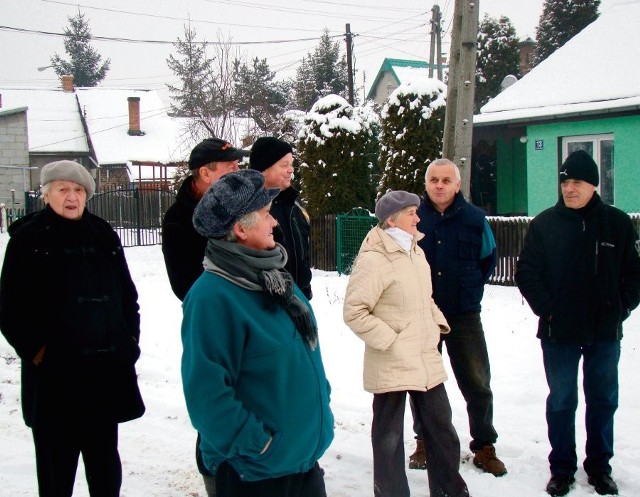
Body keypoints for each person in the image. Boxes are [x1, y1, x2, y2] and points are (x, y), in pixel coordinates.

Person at [181, 169, 334, 497]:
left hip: (302, 464)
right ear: (240, 228)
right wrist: (257, 444)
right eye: (266, 215)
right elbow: (206, 393)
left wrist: (322, 402)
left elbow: (304, 355)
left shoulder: (279, 282)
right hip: (256, 474)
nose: (275, 222)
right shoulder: (212, 297)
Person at [0, 160, 144, 497]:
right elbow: (9, 308)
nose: (72, 196)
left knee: (106, 469)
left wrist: (130, 342)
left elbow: (128, 297)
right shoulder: (28, 239)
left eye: (79, 190)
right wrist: (39, 353)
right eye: (63, 189)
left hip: (104, 376)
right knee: (55, 473)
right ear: (46, 193)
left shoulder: (103, 234)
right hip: (55, 380)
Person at [515, 150, 640, 497]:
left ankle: (600, 467)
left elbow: (634, 273)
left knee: (602, 400)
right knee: (562, 400)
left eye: (577, 182)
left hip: (604, 333)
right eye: (565, 182)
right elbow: (527, 272)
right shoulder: (544, 224)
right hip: (559, 334)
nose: (569, 189)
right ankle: (561, 469)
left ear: (593, 185)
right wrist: (549, 310)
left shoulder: (616, 224)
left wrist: (619, 308)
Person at [343, 190, 470, 497]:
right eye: (411, 213)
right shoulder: (374, 259)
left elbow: (423, 298)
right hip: (391, 359)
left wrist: (437, 323)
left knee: (442, 431)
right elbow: (354, 312)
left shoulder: (415, 250)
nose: (418, 217)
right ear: (392, 219)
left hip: (424, 356)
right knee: (388, 438)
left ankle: (449, 491)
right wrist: (391, 340)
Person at [410, 158, 506, 477]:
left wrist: (469, 286)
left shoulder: (475, 220)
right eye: (434, 180)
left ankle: (484, 446)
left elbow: (487, 259)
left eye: (446, 180)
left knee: (477, 381)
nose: (440, 185)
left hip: (464, 315)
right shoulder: (411, 218)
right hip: (423, 315)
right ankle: (424, 441)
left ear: (457, 184)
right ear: (426, 184)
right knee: (422, 381)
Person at [162, 137, 245, 301]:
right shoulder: (178, 219)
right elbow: (185, 285)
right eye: (231, 168)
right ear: (205, 173)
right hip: (215, 313)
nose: (239, 173)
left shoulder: (244, 204)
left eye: (238, 166)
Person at [250, 136, 313, 299]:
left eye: (291, 164)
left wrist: (305, 288)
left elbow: (304, 252)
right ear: (264, 169)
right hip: (267, 302)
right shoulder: (249, 210)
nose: (291, 170)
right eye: (284, 165)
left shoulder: (295, 206)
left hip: (298, 298)